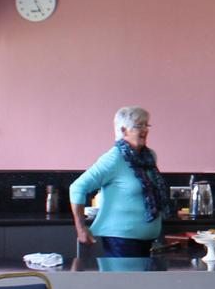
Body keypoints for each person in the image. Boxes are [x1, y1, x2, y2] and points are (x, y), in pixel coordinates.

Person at [70, 105, 167, 269]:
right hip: (122, 241)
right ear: (123, 130)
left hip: (148, 239)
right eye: (139, 125)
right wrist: (81, 228)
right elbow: (77, 187)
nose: (145, 130)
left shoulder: (149, 157)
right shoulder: (114, 158)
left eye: (146, 125)